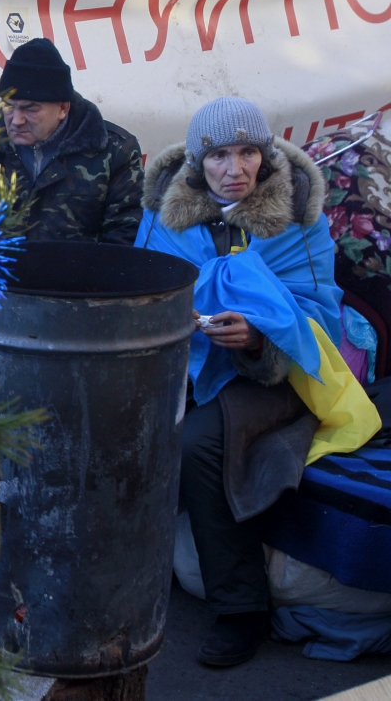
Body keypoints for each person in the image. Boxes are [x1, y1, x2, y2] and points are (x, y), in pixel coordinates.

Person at [136, 97, 379, 667]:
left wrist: (258, 337)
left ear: (265, 156)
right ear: (198, 163)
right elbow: (143, 289)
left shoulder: (298, 218)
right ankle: (113, 572)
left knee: (200, 443)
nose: (235, 168)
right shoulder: (165, 215)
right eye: (220, 154)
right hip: (182, 362)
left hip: (277, 374)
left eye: (248, 152)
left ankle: (241, 609)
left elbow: (321, 315)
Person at [0, 37, 143, 244]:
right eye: (9, 106)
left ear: (62, 109)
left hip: (80, 275)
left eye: (30, 109)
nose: (16, 120)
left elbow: (124, 239)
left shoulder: (115, 151)